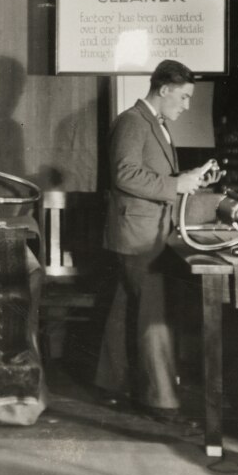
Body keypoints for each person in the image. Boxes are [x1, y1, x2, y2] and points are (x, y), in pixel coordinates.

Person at [96, 60, 217, 423]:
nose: (187, 105)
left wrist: (189, 178)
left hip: (143, 230)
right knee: (153, 313)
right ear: (164, 90)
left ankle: (111, 384)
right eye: (184, 97)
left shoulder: (153, 123)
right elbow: (124, 174)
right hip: (139, 235)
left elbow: (151, 173)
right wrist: (176, 185)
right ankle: (160, 400)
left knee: (126, 307)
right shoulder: (133, 122)